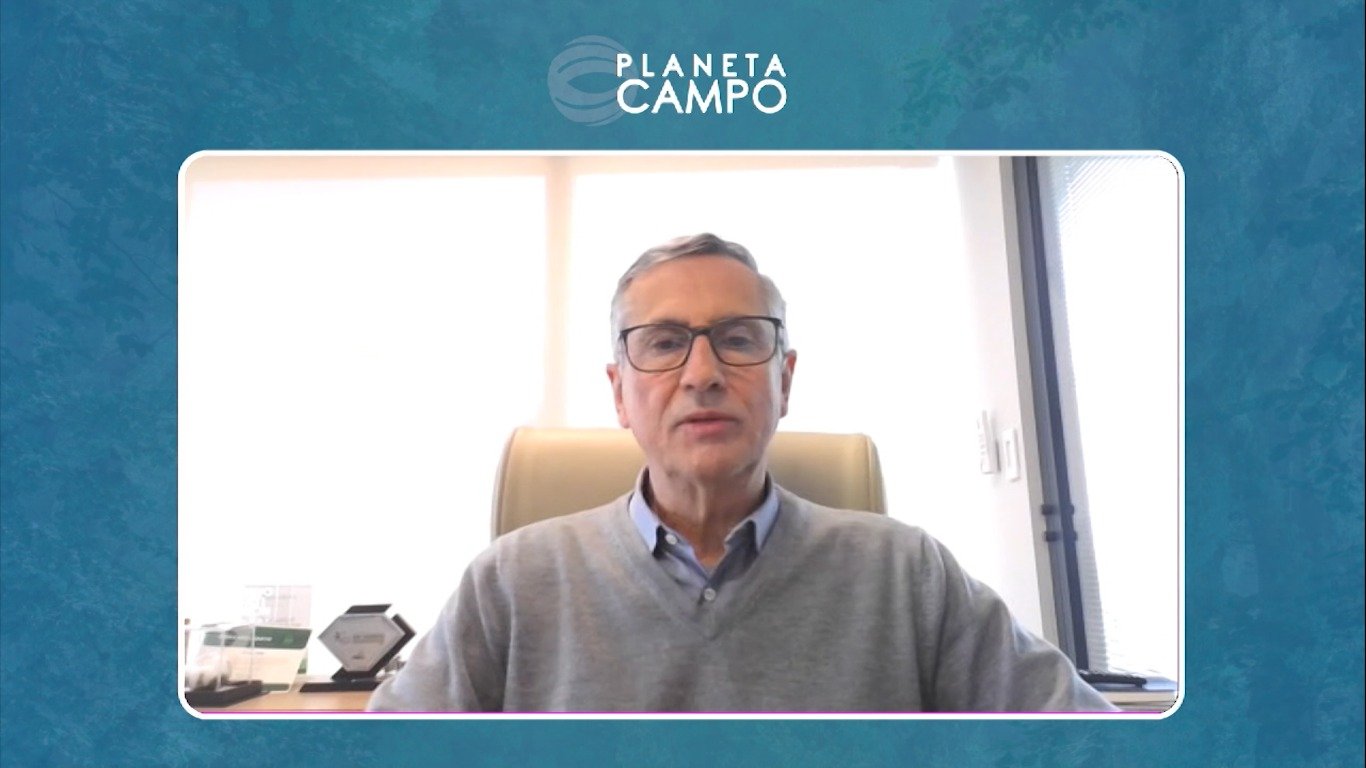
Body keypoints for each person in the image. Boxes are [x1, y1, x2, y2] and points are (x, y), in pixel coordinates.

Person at [367, 233, 1116, 713]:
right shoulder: (510, 582)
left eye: (738, 338)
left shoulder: (907, 574)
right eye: (664, 343)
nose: (703, 374)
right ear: (619, 392)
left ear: (784, 380)